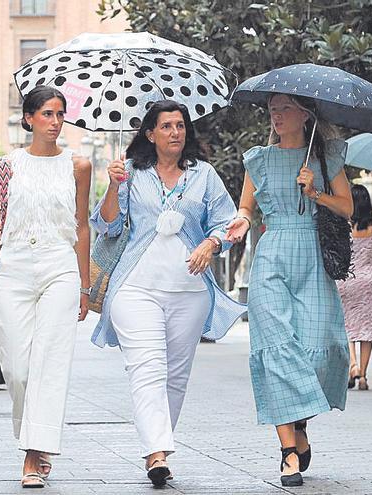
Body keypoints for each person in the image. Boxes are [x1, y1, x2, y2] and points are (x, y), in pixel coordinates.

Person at [90, 100, 244, 486]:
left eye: (180, 125)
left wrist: (211, 244)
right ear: (150, 134)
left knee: (175, 376)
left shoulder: (204, 175)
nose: (175, 132)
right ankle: (156, 453)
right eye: (166, 126)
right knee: (147, 368)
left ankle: (159, 445)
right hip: (135, 287)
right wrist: (113, 185)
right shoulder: (131, 173)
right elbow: (108, 226)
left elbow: (227, 222)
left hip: (190, 291)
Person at [224, 93, 353, 487]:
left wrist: (316, 193)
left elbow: (347, 207)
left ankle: (298, 422)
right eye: (272, 110)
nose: (277, 116)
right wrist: (242, 221)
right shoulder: (258, 159)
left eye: (284, 109)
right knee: (275, 348)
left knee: (316, 349)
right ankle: (287, 453)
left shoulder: (326, 155)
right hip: (272, 255)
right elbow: (247, 207)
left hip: (313, 258)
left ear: (304, 113)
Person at [0, 86, 91, 489]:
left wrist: (85, 285)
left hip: (60, 265)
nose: (55, 122)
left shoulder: (79, 165)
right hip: (15, 265)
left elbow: (81, 226)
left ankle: (34, 452)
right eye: (46, 114)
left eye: (60, 114)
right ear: (28, 119)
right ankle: (34, 438)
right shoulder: (6, 167)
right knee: (17, 366)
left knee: (50, 361)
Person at [336, 185, 372, 391]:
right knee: (367, 329)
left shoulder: (343, 224)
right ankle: (363, 375)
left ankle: (353, 365)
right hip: (371, 281)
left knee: (347, 325)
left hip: (348, 279)